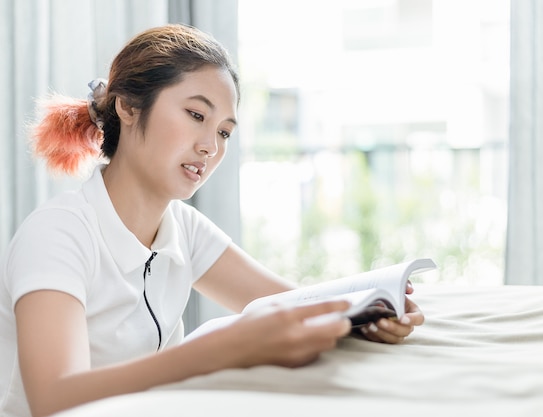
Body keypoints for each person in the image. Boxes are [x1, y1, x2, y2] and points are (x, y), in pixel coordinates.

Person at [0, 24, 424, 417]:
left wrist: (370, 315)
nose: (210, 147)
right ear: (128, 107)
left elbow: (296, 306)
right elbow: (53, 399)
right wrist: (219, 350)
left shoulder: (183, 228)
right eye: (196, 115)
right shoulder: (57, 234)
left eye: (224, 132)